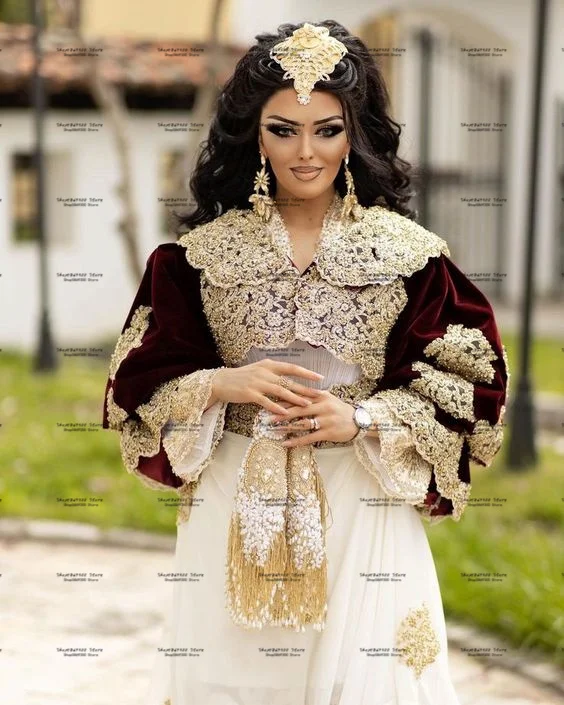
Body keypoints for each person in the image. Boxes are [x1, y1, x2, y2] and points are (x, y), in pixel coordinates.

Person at [102, 19, 509, 705]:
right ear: (251, 134)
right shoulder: (196, 258)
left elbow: (473, 381)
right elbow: (134, 383)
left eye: (326, 128)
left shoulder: (411, 257)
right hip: (232, 493)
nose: (306, 152)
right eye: (282, 129)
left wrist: (363, 416)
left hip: (361, 495)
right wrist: (224, 382)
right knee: (227, 678)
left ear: (356, 131)